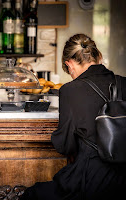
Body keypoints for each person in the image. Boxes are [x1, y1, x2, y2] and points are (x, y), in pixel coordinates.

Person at [20, 33, 126, 200]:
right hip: (122, 180)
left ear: (69, 64)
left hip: (91, 180)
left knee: (31, 195)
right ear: (96, 56)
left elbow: (65, 146)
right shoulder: (123, 83)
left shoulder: (70, 90)